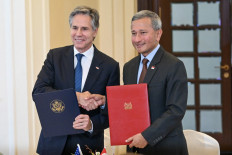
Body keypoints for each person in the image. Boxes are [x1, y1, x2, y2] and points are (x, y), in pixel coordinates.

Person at [32, 6, 120, 155]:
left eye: (84, 29)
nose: (78, 34)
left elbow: (113, 108)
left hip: (88, 145)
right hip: (53, 144)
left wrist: (92, 124)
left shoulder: (110, 66)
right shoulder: (55, 57)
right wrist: (77, 96)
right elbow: (39, 91)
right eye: (75, 28)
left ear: (95, 31)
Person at [123, 10, 188, 155]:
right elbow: (128, 106)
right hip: (136, 147)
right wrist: (104, 101)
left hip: (167, 147)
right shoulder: (129, 67)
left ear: (158, 34)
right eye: (134, 33)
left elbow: (176, 111)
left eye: (143, 33)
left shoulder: (174, 65)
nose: (137, 39)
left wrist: (147, 136)